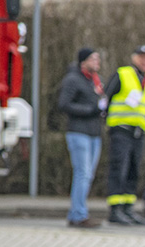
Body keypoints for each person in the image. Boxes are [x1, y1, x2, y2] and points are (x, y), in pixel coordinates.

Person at [104, 45, 145, 225]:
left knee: (133, 171)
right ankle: (115, 209)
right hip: (121, 130)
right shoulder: (123, 74)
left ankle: (128, 208)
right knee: (119, 168)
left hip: (139, 133)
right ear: (134, 58)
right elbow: (106, 97)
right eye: (141, 57)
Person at [57, 47, 106, 228]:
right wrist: (89, 110)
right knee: (82, 173)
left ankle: (76, 213)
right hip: (79, 132)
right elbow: (64, 104)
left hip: (94, 133)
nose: (97, 63)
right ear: (83, 61)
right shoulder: (73, 79)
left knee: (88, 175)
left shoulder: (94, 81)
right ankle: (78, 215)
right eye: (93, 59)